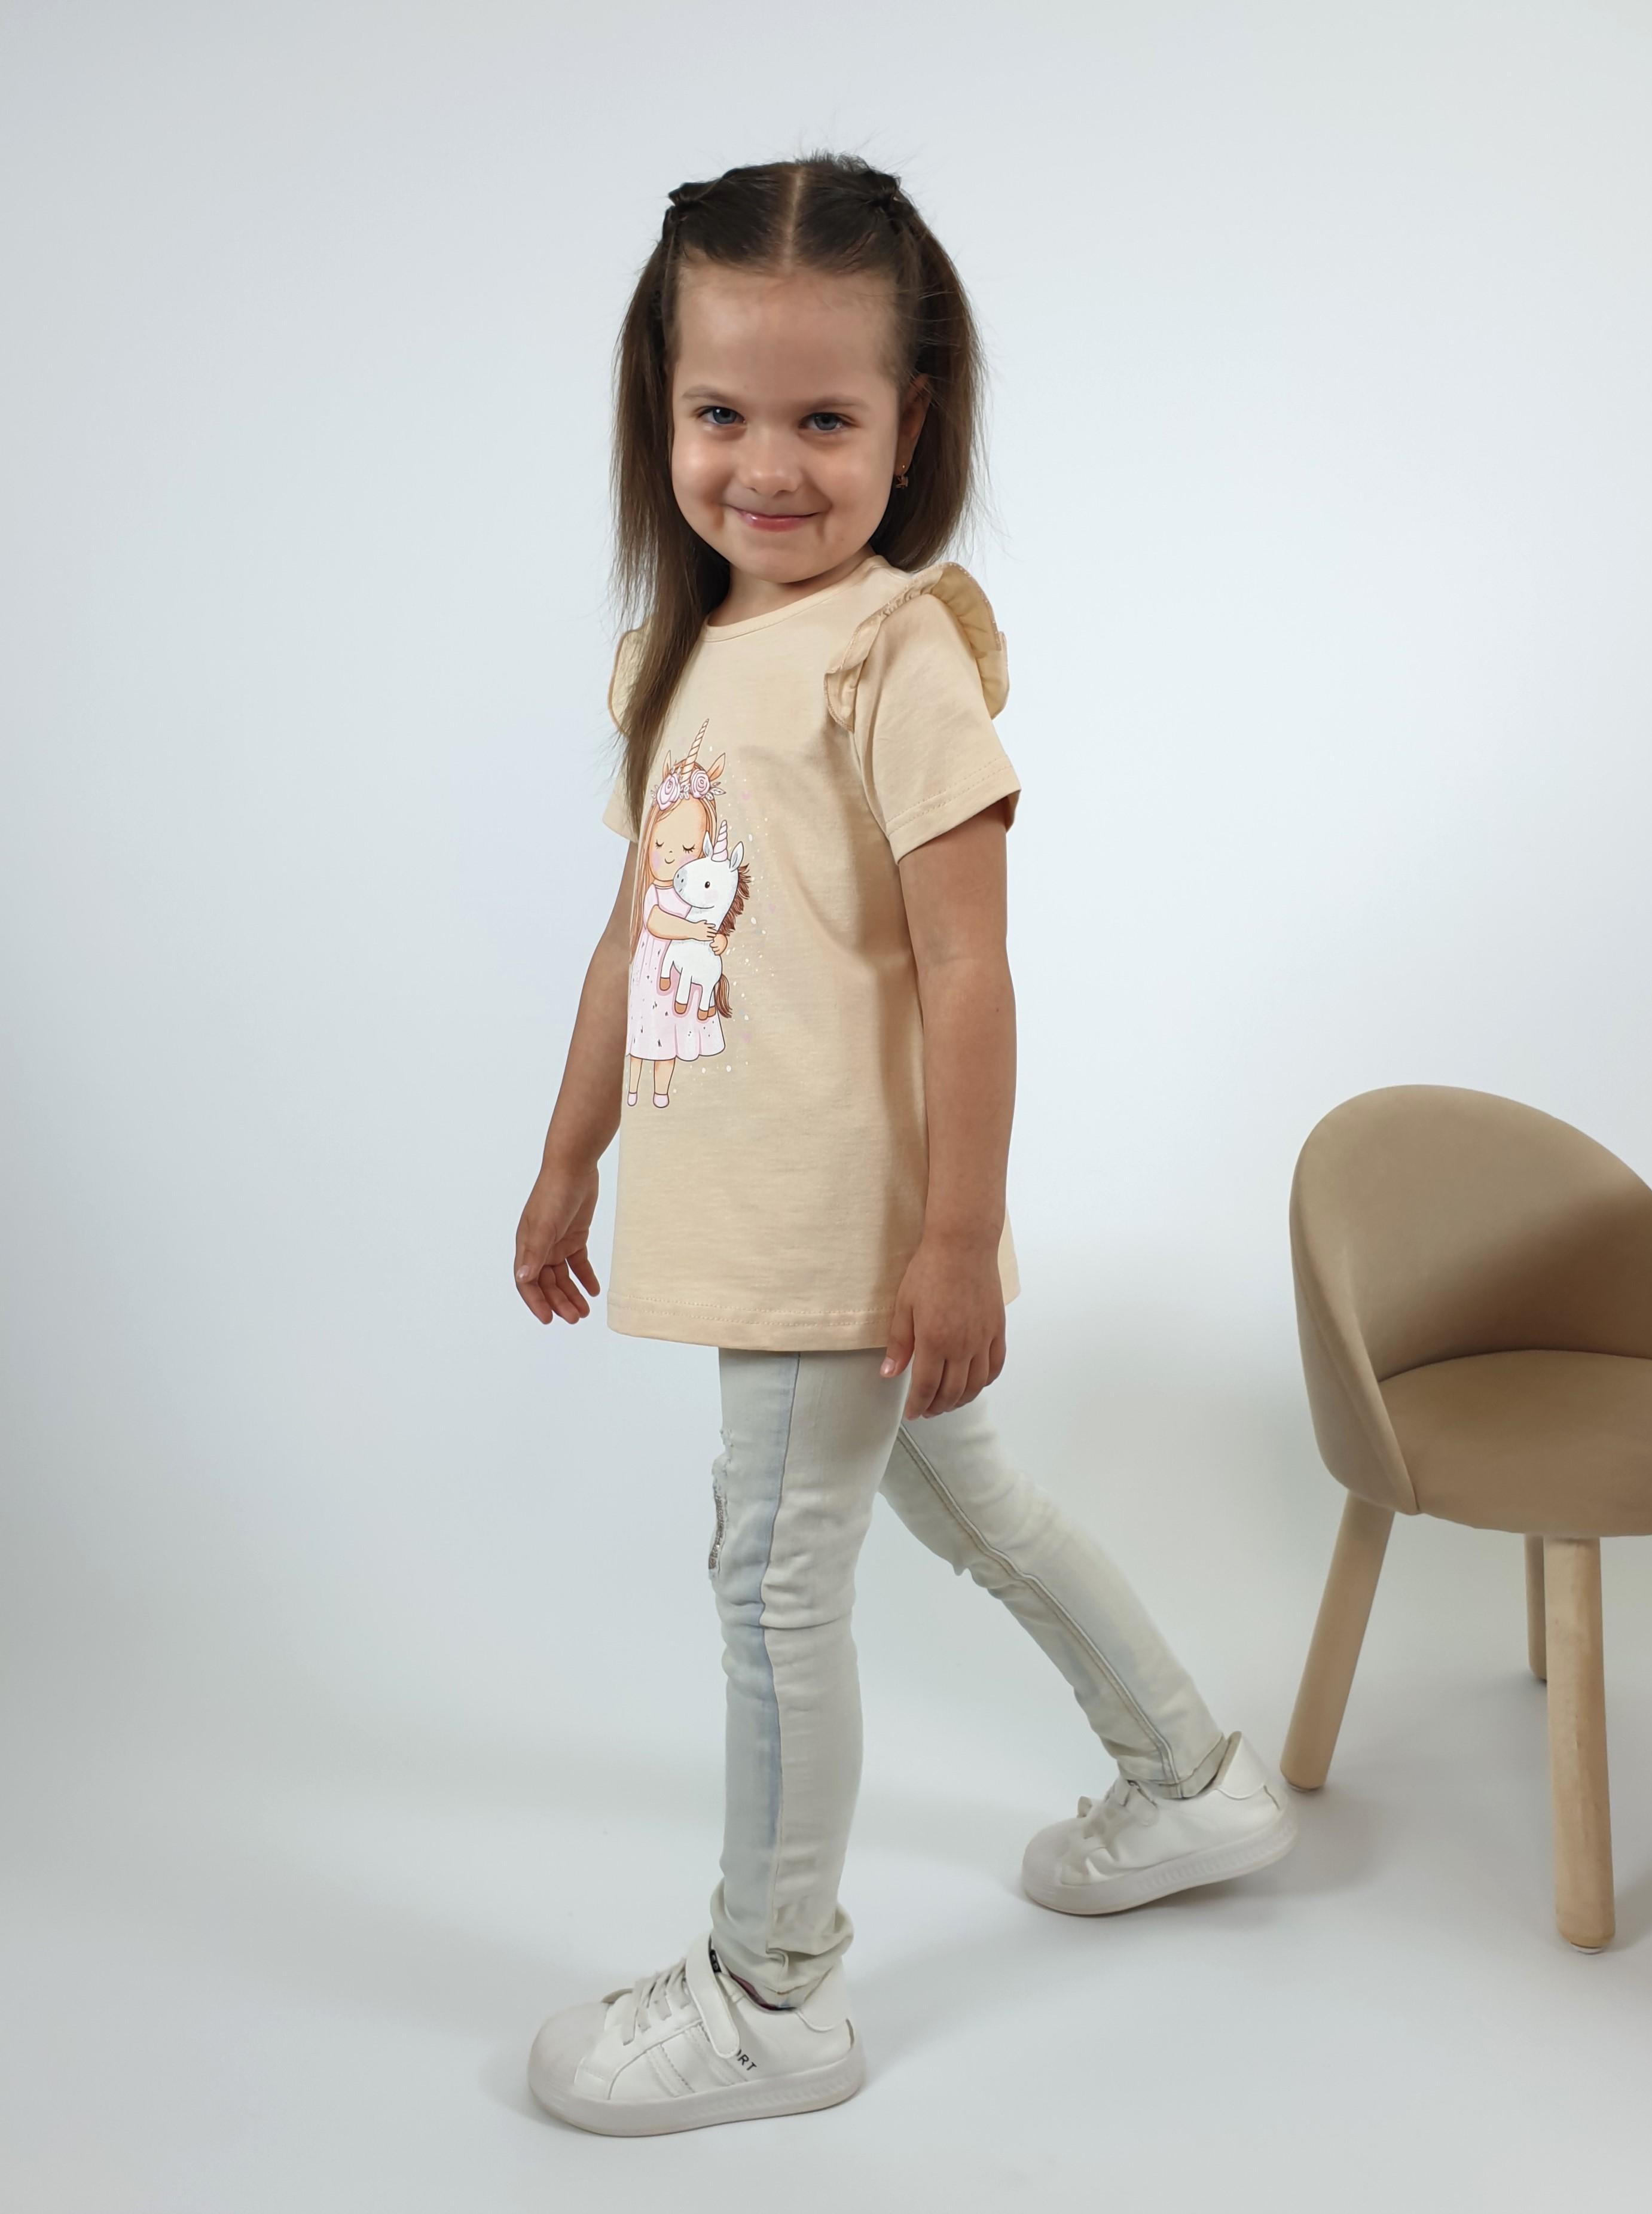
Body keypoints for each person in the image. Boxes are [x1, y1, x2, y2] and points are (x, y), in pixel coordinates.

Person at [513, 153, 1296, 2138]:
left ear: (911, 424)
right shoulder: (684, 652)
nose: (766, 465)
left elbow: (970, 972)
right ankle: (1194, 1778)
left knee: (776, 1577)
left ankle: (773, 1992)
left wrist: (956, 1240)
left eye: (825, 420)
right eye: (722, 411)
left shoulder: (896, 652)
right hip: (755, 1207)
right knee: (974, 1507)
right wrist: (569, 1153)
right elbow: (634, 934)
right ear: (660, 408)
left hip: (845, 1227)